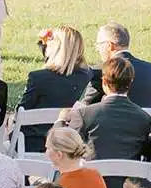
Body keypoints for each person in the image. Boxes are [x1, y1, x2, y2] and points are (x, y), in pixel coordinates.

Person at [19, 26, 96, 154]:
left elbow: (22, 111)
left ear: (55, 47)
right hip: (66, 142)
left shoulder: (38, 77)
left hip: (32, 142)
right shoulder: (87, 75)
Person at [76, 55, 151, 165]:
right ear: (131, 82)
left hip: (93, 175)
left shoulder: (85, 114)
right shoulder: (144, 118)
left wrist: (60, 121)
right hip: (129, 175)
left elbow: (66, 147)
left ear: (104, 81)